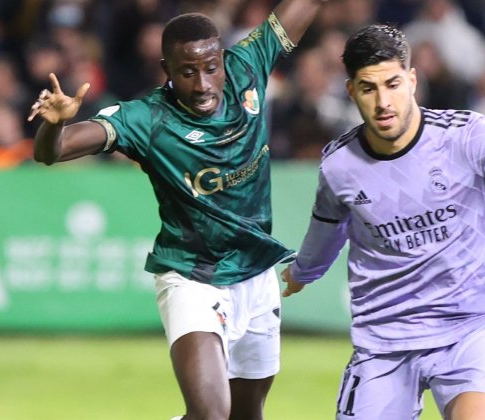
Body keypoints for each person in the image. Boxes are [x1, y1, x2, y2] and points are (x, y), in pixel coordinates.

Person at [27, 1, 328, 419]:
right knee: (210, 413)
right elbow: (50, 153)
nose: (203, 83)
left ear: (223, 60)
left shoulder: (249, 66)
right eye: (187, 72)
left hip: (256, 276)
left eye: (210, 68)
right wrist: (55, 123)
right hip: (193, 277)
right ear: (167, 69)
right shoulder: (147, 119)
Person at [281, 24, 485, 420]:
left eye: (392, 84)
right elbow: (325, 234)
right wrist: (295, 276)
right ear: (351, 91)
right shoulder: (339, 165)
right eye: (369, 88)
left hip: (469, 331)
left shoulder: (465, 136)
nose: (383, 101)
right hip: (383, 343)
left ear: (412, 80)